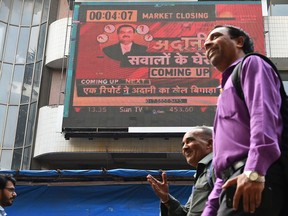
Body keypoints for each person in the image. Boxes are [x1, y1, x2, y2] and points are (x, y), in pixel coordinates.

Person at [202, 25, 285, 216]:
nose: (207, 43)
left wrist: (255, 172)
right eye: (206, 43)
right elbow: (222, 165)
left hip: (252, 177)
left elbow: (263, 118)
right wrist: (210, 209)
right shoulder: (224, 91)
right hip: (231, 182)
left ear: (239, 41)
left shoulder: (252, 64)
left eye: (215, 37)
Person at [147, 126, 214, 216]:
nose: (184, 148)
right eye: (183, 144)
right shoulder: (202, 175)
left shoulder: (218, 167)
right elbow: (186, 213)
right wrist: (166, 199)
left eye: (190, 141)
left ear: (210, 144)